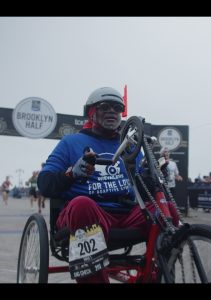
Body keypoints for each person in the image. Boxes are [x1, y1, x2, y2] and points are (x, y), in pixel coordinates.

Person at [37, 87, 179, 283]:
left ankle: (157, 273)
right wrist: (71, 173)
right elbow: (44, 184)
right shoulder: (70, 142)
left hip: (126, 213)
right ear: (91, 113)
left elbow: (142, 190)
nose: (112, 111)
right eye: (105, 107)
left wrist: (151, 174)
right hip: (88, 213)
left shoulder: (131, 146)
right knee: (82, 204)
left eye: (117, 108)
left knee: (167, 209)